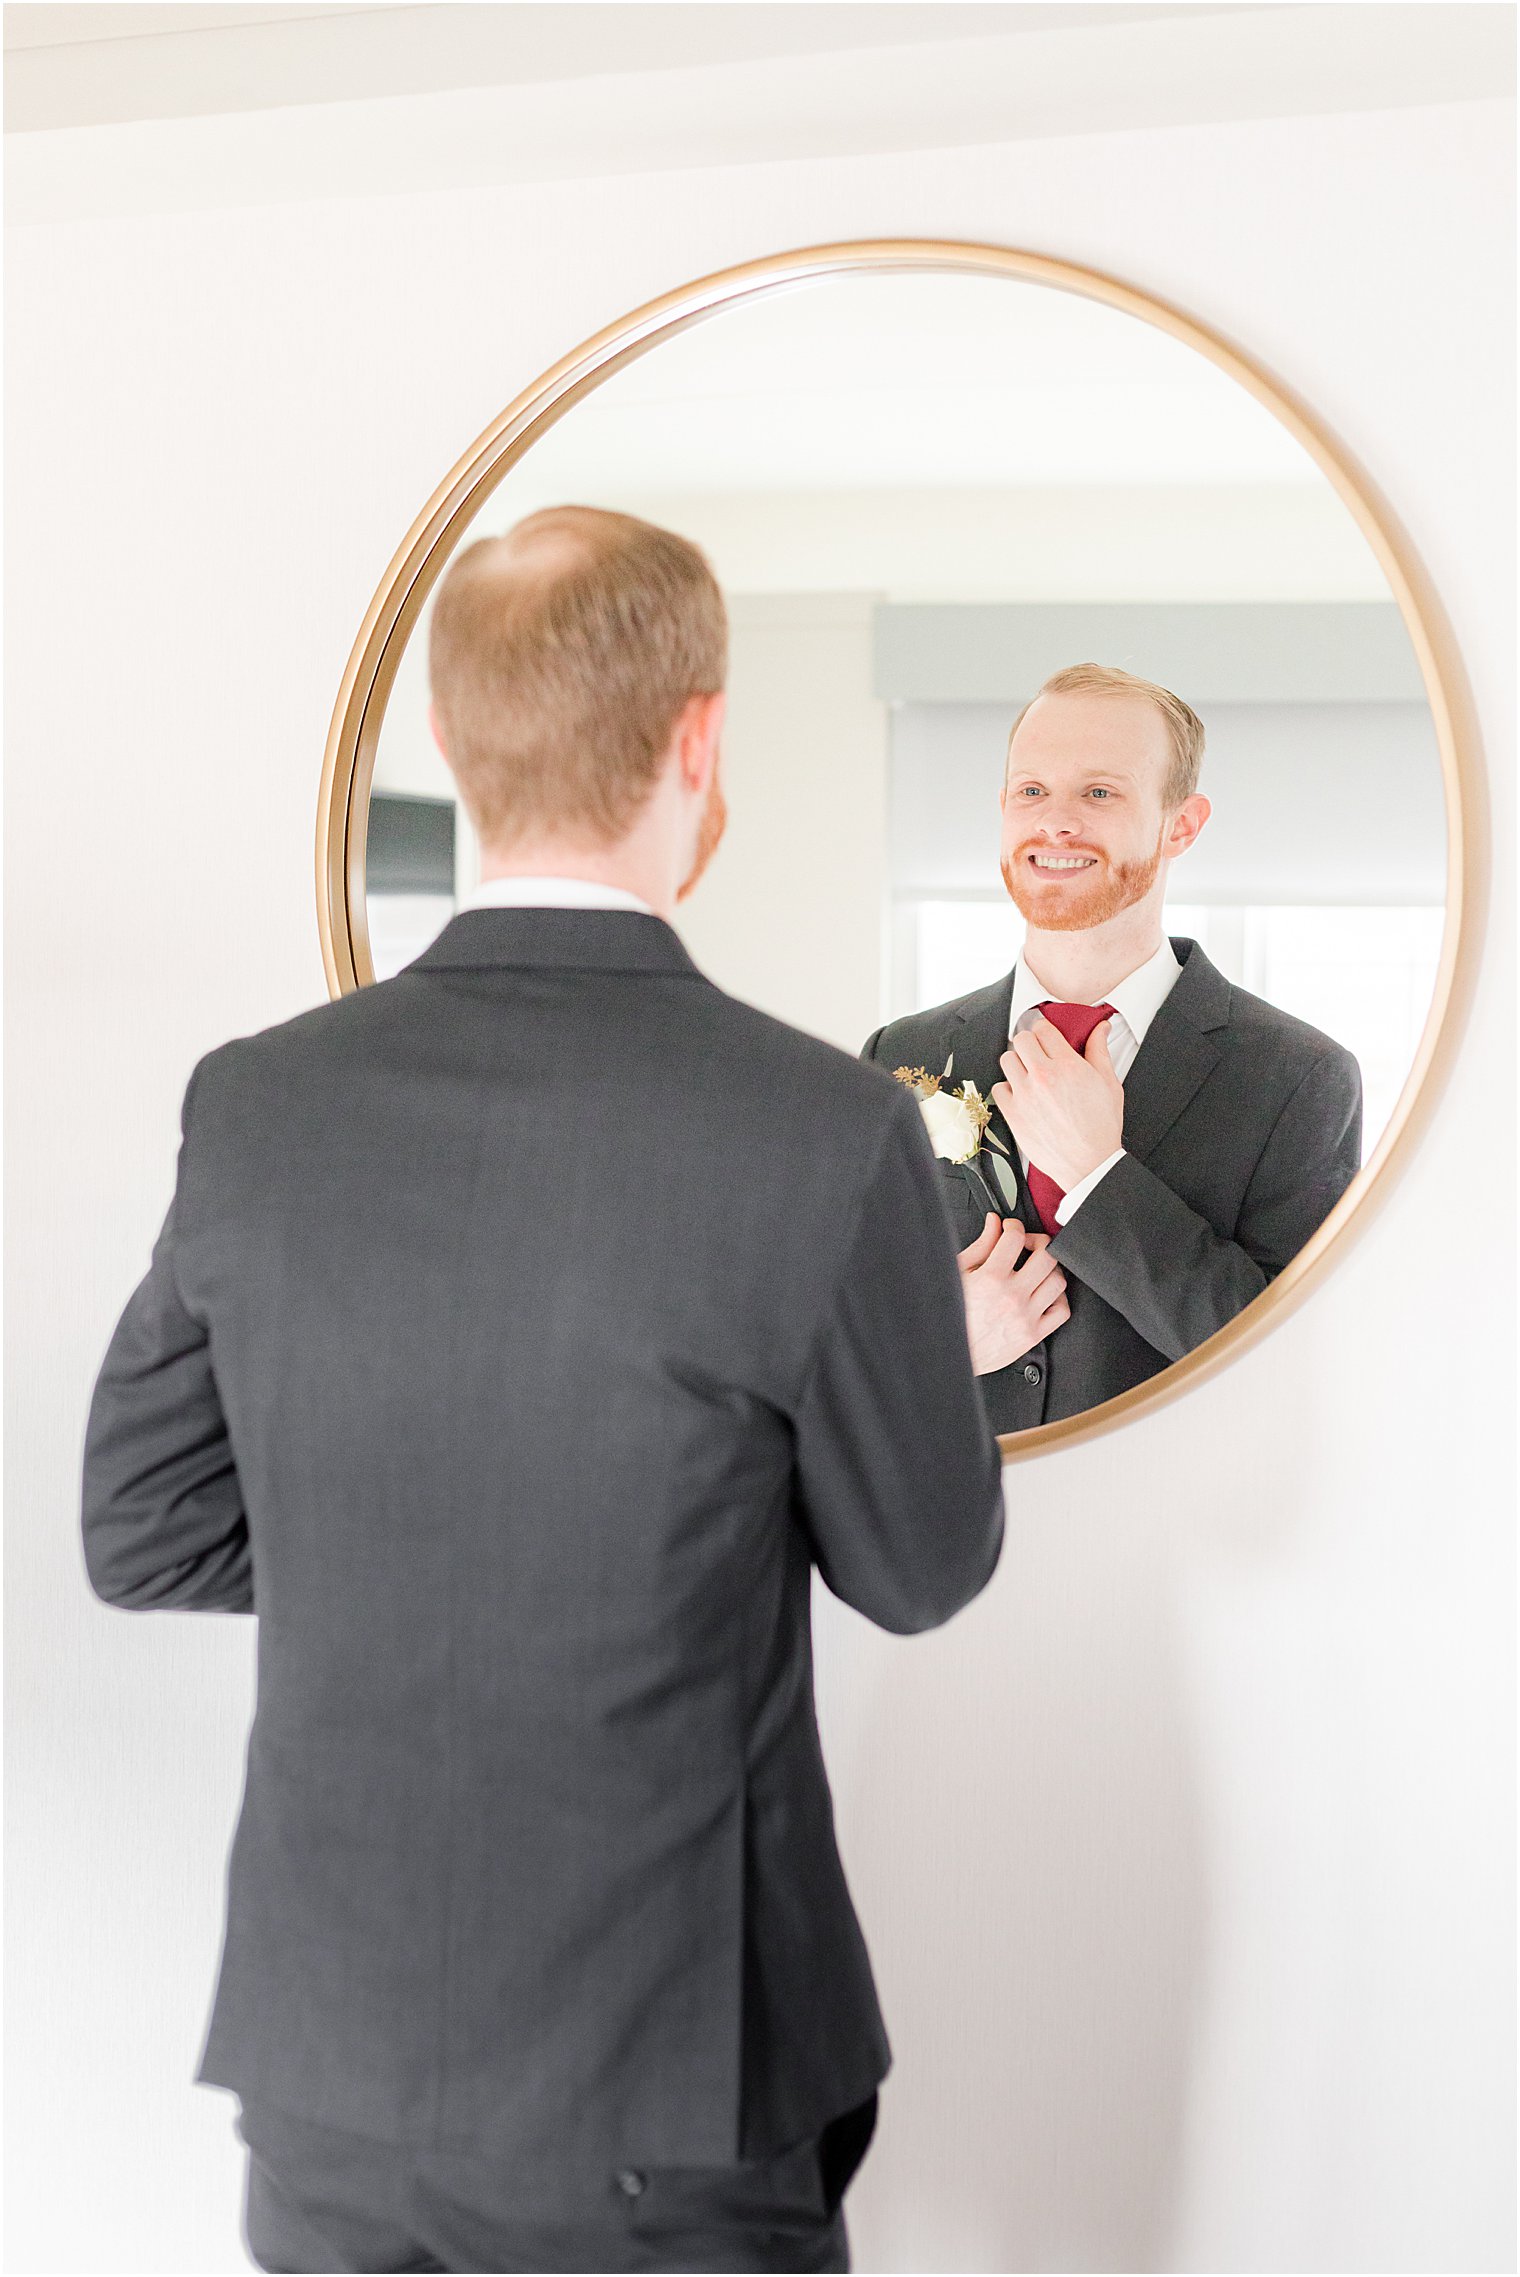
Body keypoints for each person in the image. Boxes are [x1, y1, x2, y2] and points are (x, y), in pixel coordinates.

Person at [80, 505, 1004, 2275]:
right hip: (671, 2090)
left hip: (335, 2077)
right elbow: (918, 1565)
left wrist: (433, 1531)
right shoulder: (824, 1130)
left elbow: (145, 1528)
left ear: (453, 738)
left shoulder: (261, 1101)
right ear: (700, 739)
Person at [863, 662, 1363, 1435]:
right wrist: (927, 1339)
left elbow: (1289, 1372)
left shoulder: (1300, 1079)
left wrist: (1098, 1177)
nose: (1055, 822)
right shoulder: (903, 1053)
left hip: (1179, 1540)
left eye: (1099, 792)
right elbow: (829, 1331)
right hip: (958, 1537)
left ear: (1181, 825)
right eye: (1032, 791)